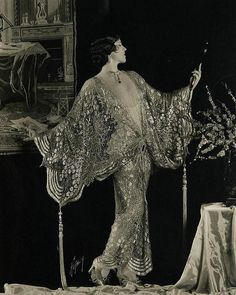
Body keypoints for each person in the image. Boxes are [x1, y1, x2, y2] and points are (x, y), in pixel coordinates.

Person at [30, 35, 201, 287]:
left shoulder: (133, 77)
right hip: (122, 156)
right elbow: (76, 123)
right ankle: (103, 262)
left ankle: (126, 270)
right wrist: (45, 137)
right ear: (110, 52)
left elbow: (160, 103)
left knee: (134, 209)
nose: (125, 49)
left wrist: (189, 88)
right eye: (121, 46)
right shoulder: (93, 85)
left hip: (143, 154)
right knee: (134, 209)